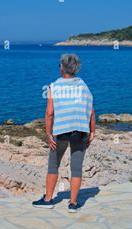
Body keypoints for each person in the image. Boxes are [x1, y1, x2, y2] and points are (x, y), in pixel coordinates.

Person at [32, 54, 95, 213]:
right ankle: (73, 204)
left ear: (61, 68)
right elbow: (91, 112)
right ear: (76, 68)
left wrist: (48, 134)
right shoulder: (83, 86)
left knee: (53, 165)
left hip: (60, 131)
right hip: (80, 130)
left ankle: (48, 199)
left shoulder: (54, 86)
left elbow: (49, 113)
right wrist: (92, 131)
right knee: (76, 168)